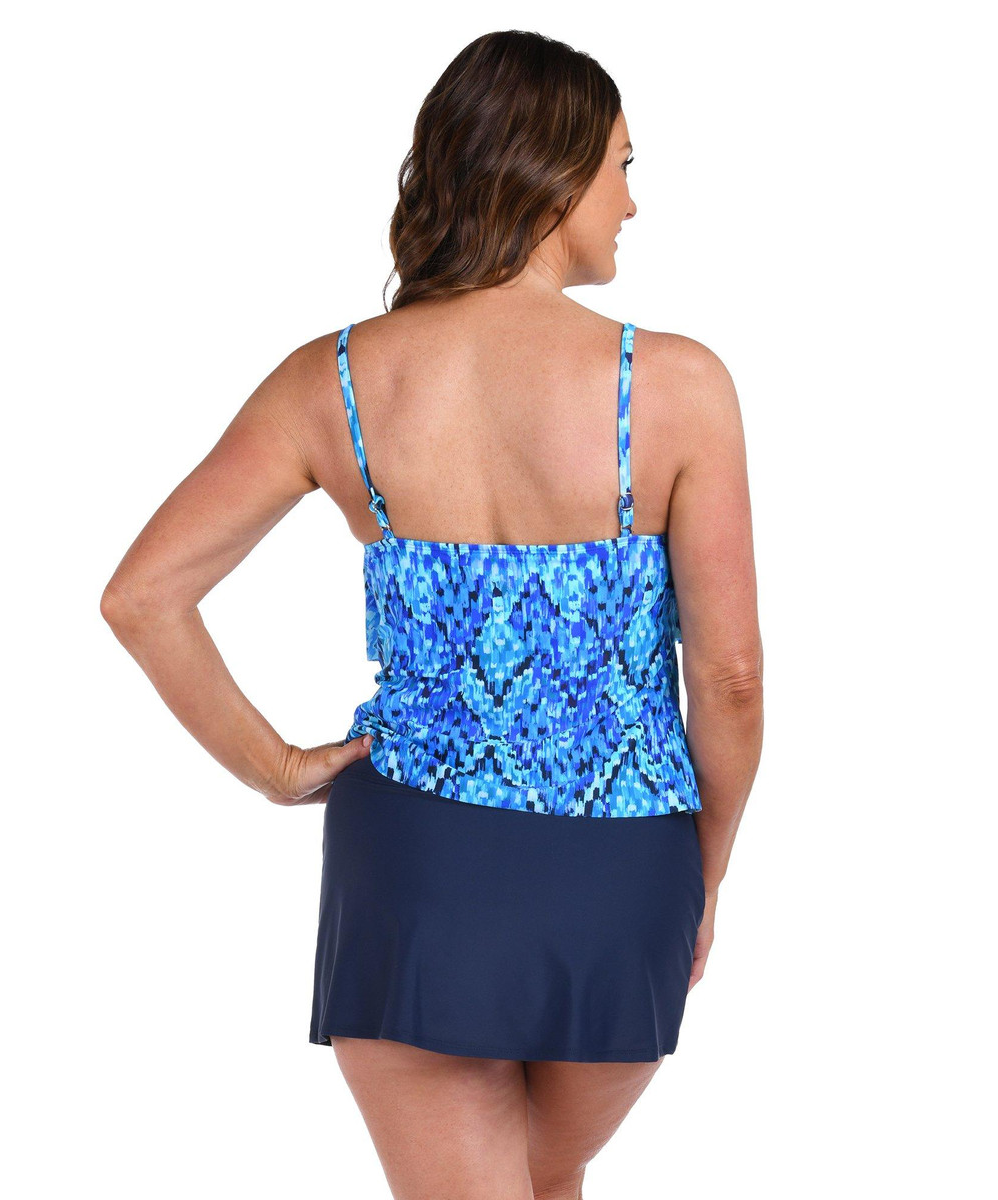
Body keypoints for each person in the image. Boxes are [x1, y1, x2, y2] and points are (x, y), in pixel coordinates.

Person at [101, 28, 763, 1200]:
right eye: (622, 165)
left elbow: (145, 595)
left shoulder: (335, 382)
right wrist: (705, 871)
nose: (632, 201)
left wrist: (281, 771)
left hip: (414, 855)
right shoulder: (677, 386)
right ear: (554, 172)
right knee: (538, 1185)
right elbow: (729, 679)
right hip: (621, 867)